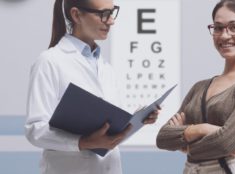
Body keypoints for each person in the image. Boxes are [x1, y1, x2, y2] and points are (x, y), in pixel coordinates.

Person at [25, 0, 159, 174]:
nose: (111, 21)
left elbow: (110, 128)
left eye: (112, 13)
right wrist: (84, 142)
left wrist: (137, 119)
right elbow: (35, 129)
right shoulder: (49, 61)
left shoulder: (106, 68)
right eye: (103, 14)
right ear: (76, 15)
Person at [156, 0, 235, 173]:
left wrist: (186, 142)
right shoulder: (200, 87)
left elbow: (225, 142)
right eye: (218, 28)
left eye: (234, 27)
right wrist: (203, 129)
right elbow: (163, 138)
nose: (225, 35)